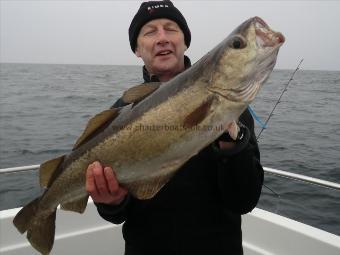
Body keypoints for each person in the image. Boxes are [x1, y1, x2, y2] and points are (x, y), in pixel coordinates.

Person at [85, 1, 263, 254]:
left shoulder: (230, 107)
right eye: (150, 32)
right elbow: (117, 215)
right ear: (137, 49)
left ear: (185, 41)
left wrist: (232, 144)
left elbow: (244, 200)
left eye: (171, 29)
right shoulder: (120, 114)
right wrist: (111, 203)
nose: (162, 38)